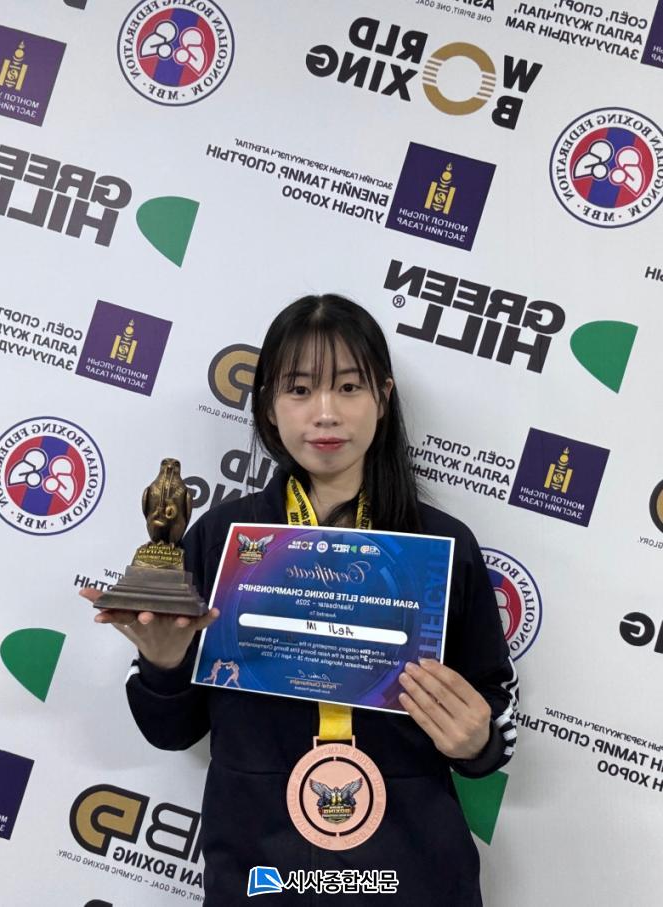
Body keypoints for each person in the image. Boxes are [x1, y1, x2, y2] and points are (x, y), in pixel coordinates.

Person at [82, 295, 518, 905]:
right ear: (268, 405)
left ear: (383, 397)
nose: (325, 413)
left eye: (349, 387)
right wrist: (162, 665)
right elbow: (170, 732)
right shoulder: (221, 538)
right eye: (299, 390)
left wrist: (479, 742)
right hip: (260, 867)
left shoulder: (442, 545)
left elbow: (495, 708)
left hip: (412, 870)